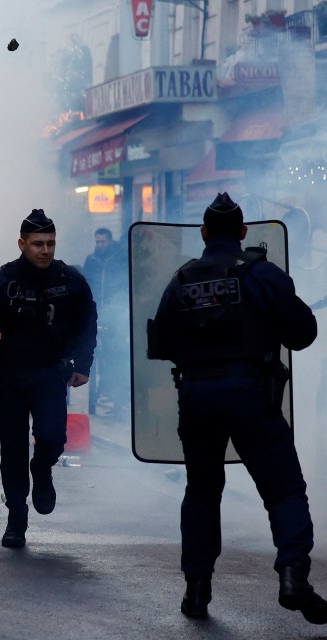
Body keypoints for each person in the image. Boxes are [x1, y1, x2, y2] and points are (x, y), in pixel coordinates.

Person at [147, 192, 327, 623]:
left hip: (197, 399)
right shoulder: (262, 275)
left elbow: (161, 345)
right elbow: (304, 333)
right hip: (250, 395)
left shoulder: (182, 278)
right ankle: (292, 576)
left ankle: (196, 591)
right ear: (244, 231)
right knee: (283, 489)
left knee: (203, 492)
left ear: (204, 233)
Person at [0, 209, 96, 549]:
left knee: (52, 439)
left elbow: (87, 323)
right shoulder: (3, 282)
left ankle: (43, 469)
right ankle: (17, 517)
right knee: (13, 450)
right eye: (37, 244)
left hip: (50, 375)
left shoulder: (70, 280)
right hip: (9, 378)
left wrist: (83, 364)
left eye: (50, 243)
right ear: (22, 244)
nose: (45, 250)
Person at [81, 227, 129, 416]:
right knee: (98, 357)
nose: (99, 245)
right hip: (97, 313)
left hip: (116, 314)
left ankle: (119, 401)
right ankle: (99, 398)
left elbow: (125, 285)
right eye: (97, 241)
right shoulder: (91, 260)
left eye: (103, 241)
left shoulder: (120, 257)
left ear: (110, 241)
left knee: (115, 358)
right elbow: (86, 285)